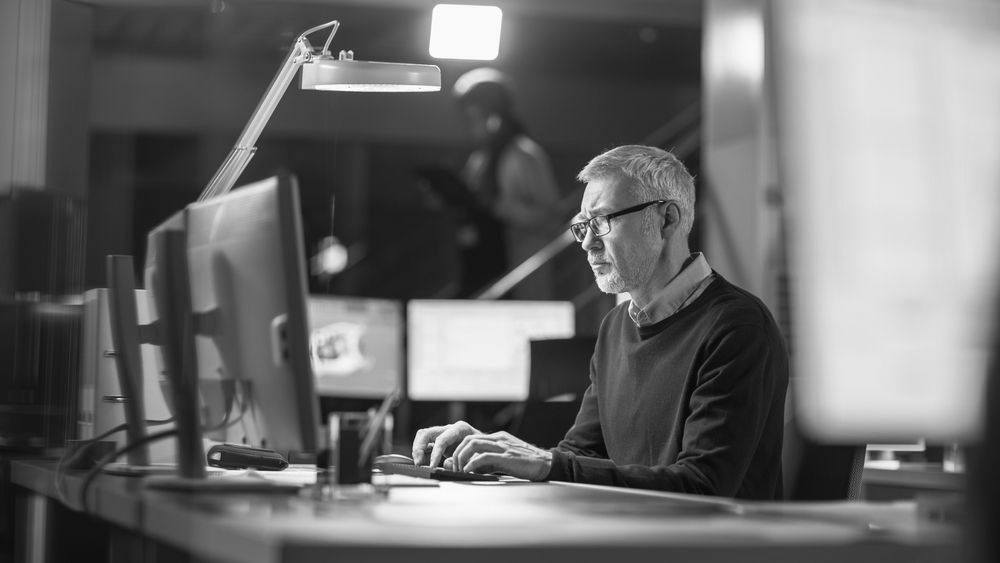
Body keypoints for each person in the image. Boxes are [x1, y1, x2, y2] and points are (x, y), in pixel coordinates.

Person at [411, 145, 789, 499]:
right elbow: (578, 454)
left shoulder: (737, 327)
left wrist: (546, 464)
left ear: (667, 220)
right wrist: (496, 451)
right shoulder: (615, 327)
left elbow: (704, 487)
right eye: (582, 224)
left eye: (603, 220)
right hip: (628, 539)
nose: (587, 242)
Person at [450, 67, 561, 299]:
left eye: (476, 117)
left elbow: (550, 217)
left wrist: (499, 206)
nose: (472, 126)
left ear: (494, 116)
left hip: (516, 272)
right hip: (482, 267)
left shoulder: (524, 155)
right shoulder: (481, 159)